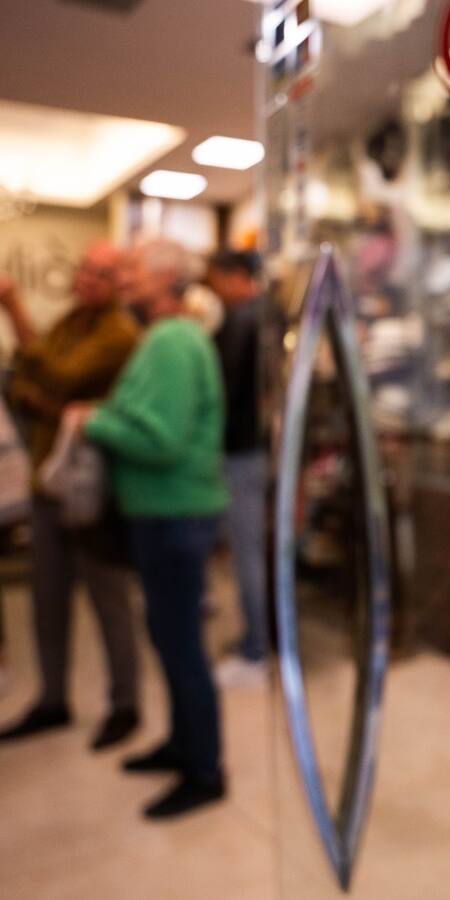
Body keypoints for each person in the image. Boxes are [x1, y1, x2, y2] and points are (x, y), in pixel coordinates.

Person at [68, 239, 230, 819]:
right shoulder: (170, 337)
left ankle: (204, 770)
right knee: (169, 637)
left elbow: (161, 440)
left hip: (173, 512)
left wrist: (93, 422)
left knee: (180, 644)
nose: (123, 277)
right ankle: (184, 746)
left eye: (133, 268)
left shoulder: (171, 341)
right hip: (165, 513)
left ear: (165, 277)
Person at [0, 243, 142, 750]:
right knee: (47, 597)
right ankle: (53, 698)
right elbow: (28, 375)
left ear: (118, 281)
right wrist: (48, 399)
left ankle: (125, 704)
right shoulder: (72, 320)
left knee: (108, 598)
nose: (86, 279)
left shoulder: (118, 331)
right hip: (49, 480)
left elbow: (59, 376)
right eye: (85, 269)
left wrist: (14, 306)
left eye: (100, 273)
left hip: (90, 487)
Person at [206, 251, 268, 687]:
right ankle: (257, 640)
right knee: (249, 552)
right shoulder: (260, 318)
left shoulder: (244, 321)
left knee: (248, 554)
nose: (212, 287)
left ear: (237, 277)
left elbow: (222, 394)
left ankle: (257, 650)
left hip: (243, 452)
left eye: (216, 278)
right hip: (250, 450)